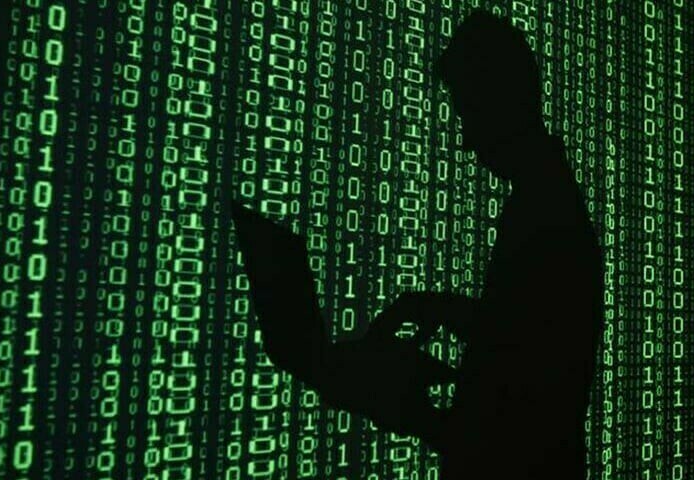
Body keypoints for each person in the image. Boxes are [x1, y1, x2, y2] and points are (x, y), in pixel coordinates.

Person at [231, 10, 604, 479]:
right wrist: (439, 309)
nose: (466, 142)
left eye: (469, 114)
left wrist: (409, 412)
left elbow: (527, 426)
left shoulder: (546, 217)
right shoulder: (548, 201)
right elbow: (524, 335)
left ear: (502, 104)